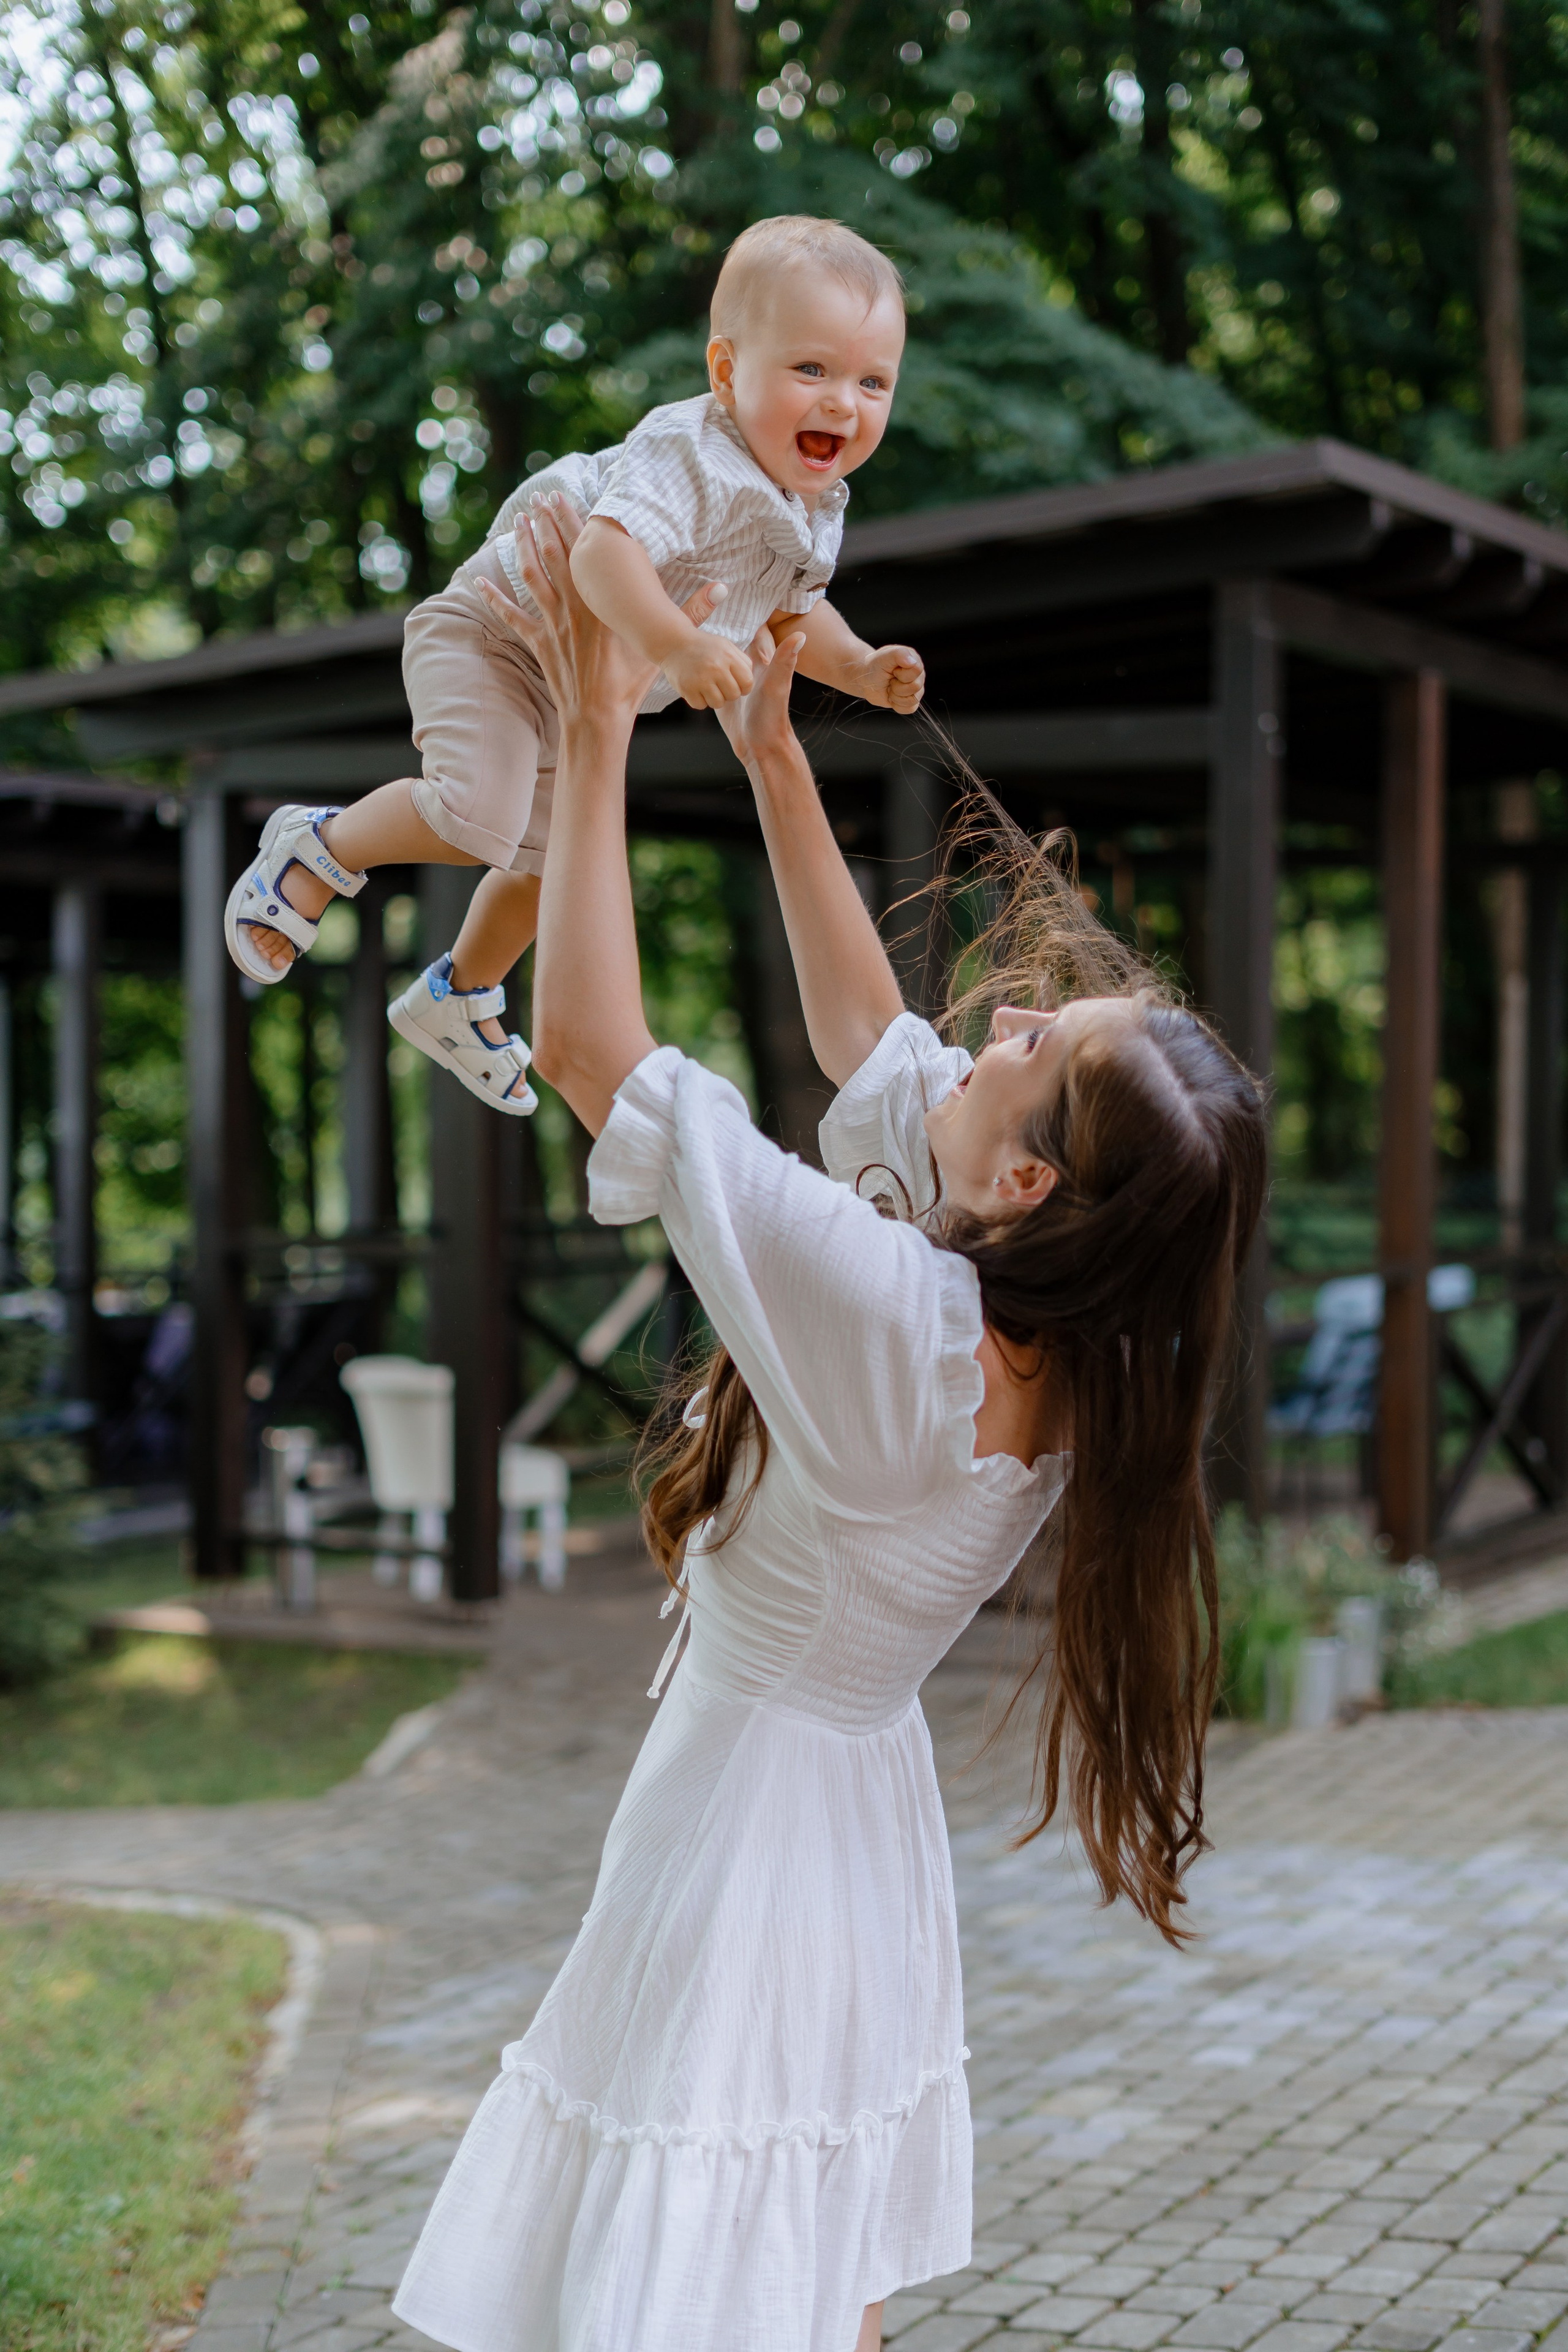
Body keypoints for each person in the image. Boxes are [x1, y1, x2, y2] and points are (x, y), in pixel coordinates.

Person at [389, 500, 1268, 2352]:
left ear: (1028, 1183)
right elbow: (880, 1051)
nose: (998, 1017)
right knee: (794, 2266)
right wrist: (775, 756)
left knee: (689, 2272)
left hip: (748, 1836)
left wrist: (596, 715)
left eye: (1033, 1047)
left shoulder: (897, 1328)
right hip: (849, 1823)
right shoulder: (1046, 1327)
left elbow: (591, 1052)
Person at [221, 214, 924, 1120]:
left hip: (570, 687)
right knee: (480, 813)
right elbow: (601, 556)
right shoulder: (692, 451)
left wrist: (858, 666)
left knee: (553, 866)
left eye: (873, 382)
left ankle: (458, 993)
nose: (844, 405)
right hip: (498, 635)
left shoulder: (814, 506)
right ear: (726, 372)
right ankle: (318, 848)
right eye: (812, 370)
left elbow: (794, 608)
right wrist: (676, 643)